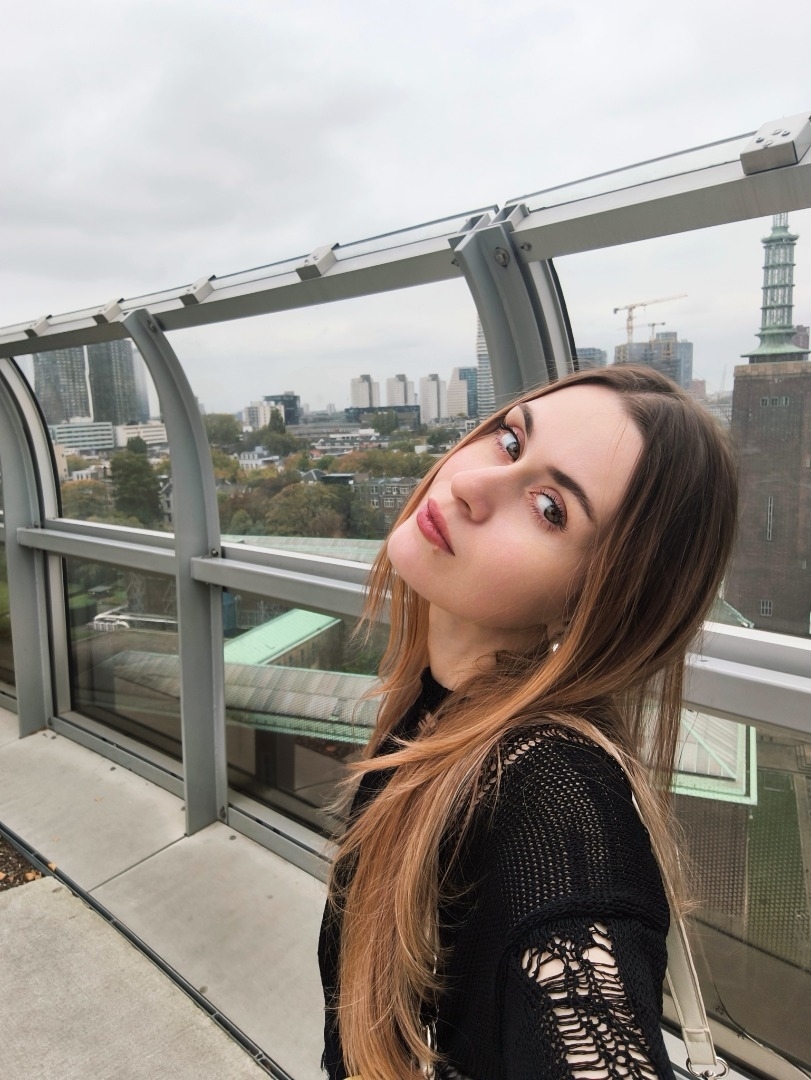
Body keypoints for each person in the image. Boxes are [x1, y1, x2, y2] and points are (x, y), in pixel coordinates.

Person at [319, 364, 738, 1080]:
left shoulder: (551, 792)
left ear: (597, 602)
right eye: (510, 442)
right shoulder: (437, 708)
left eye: (549, 508)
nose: (472, 484)